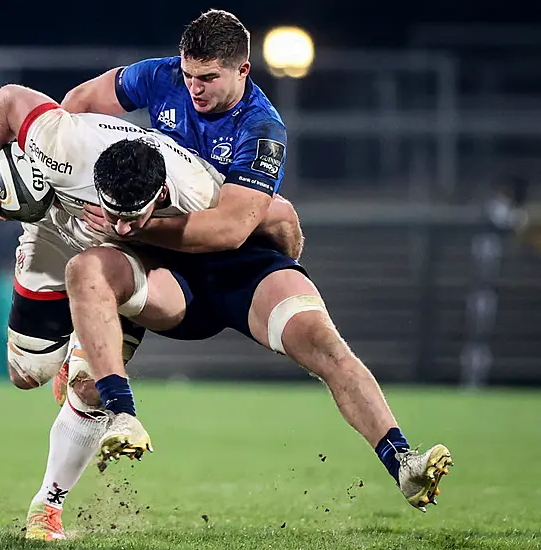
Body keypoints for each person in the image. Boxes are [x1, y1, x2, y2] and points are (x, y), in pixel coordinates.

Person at [37, 8, 452, 540]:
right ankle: (50, 502)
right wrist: (89, 174)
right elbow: (74, 109)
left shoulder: (262, 127)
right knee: (86, 285)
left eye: (208, 78)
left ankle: (404, 464)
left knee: (325, 344)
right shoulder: (159, 76)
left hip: (239, 268)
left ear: (243, 72)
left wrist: (132, 226)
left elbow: (228, 231)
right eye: (189, 75)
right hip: (170, 270)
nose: (194, 89)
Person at [0, 81, 302, 540]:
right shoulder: (62, 143)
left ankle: (47, 507)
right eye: (113, 211)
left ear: (161, 194)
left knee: (91, 388)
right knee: (27, 373)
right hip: (50, 234)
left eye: (132, 214)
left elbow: (275, 214)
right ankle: (69, 355)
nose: (122, 222)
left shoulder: (196, 188)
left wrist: (286, 264)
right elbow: (7, 99)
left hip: (123, 260)